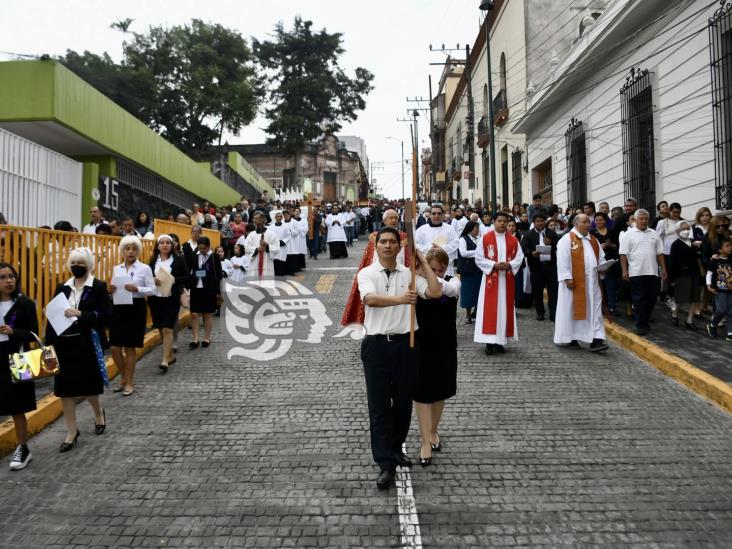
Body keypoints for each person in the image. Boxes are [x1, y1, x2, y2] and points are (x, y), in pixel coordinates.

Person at [357, 227, 441, 489]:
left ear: (399, 246)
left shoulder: (410, 275)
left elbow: (436, 292)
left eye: (393, 242)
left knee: (403, 404)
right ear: (376, 244)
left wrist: (423, 261)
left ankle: (395, 449)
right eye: (383, 241)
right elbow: (370, 299)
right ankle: (385, 463)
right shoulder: (366, 273)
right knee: (379, 406)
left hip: (407, 345)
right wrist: (401, 299)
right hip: (377, 346)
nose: (388, 246)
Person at [46, 247, 112, 452]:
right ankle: (72, 431)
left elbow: (107, 315)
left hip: (87, 343)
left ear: (89, 265)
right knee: (64, 390)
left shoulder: (99, 286)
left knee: (89, 386)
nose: (77, 266)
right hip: (64, 344)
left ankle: (98, 413)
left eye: (81, 263)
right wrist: (49, 346)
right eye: (74, 262)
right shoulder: (62, 287)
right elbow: (53, 317)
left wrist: (82, 314)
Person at [414, 248, 460, 467]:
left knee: (440, 390)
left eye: (440, 269)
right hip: (421, 343)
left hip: (445, 344)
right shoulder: (416, 283)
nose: (437, 272)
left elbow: (442, 288)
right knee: (422, 392)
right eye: (432, 269)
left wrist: (423, 263)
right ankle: (424, 441)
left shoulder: (453, 282)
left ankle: (433, 430)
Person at [0, 263, 38, 470]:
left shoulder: (25, 303)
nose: (8, 281)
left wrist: (14, 332)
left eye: (11, 276)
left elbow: (33, 333)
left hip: (18, 358)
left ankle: (23, 447)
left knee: (18, 406)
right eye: (3, 277)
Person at [341, 210, 408, 326]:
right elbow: (369, 259)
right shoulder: (375, 237)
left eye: (395, 218)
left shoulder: (404, 237)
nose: (393, 220)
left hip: (399, 276)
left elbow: (408, 259)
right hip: (378, 277)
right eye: (390, 218)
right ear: (384, 220)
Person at [553, 214, 609, 351]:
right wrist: (567, 277)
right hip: (574, 283)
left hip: (592, 283)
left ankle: (597, 340)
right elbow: (562, 260)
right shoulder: (567, 240)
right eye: (585, 222)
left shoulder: (593, 240)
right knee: (572, 309)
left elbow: (601, 258)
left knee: (595, 310)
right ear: (576, 224)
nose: (588, 224)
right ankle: (572, 336)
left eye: (589, 222)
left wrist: (604, 267)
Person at [109, 236, 156, 396]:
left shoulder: (144, 268)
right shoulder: (117, 268)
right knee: (115, 347)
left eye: (134, 249)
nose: (130, 252)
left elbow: (152, 290)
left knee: (130, 347)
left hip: (136, 308)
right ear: (122, 250)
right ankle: (123, 377)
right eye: (128, 249)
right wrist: (111, 290)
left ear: (138, 251)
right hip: (118, 307)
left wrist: (137, 289)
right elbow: (115, 286)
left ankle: (129, 382)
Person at [474, 212, 525, 355]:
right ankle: (489, 343)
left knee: (504, 310)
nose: (502, 223)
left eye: (504, 221)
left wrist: (509, 264)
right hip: (491, 281)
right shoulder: (485, 238)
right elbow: (478, 258)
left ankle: (500, 341)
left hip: (506, 280)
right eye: (499, 221)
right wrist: (493, 265)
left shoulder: (513, 240)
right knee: (490, 310)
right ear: (494, 222)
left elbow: (519, 258)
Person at [619, 209, 667, 336]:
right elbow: (623, 254)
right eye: (641, 219)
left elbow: (660, 252)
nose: (644, 221)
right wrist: (624, 271)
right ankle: (640, 325)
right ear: (635, 220)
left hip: (653, 272)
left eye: (646, 219)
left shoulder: (654, 233)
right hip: (636, 272)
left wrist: (663, 268)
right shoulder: (628, 235)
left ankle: (644, 321)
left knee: (651, 298)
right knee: (638, 299)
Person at [147, 235, 188, 372]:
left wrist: (172, 279)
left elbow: (186, 277)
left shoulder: (179, 259)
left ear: (172, 245)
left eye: (167, 243)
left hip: (171, 297)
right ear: (157, 246)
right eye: (162, 243)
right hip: (156, 298)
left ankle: (165, 360)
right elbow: (147, 277)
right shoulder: (153, 260)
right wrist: (153, 279)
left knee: (167, 328)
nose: (165, 245)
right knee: (160, 327)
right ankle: (170, 355)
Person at [521, 212, 558, 322]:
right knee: (537, 291)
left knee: (553, 291)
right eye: (538, 221)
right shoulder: (528, 235)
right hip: (536, 267)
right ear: (534, 222)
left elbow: (559, 246)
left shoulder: (551, 233)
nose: (540, 223)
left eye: (542, 221)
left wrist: (551, 244)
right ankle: (540, 312)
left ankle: (553, 313)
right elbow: (524, 248)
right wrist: (531, 253)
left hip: (550, 267)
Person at [188, 236, 223, 348]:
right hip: (196, 288)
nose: (202, 250)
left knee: (207, 314)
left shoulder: (214, 257)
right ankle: (195, 339)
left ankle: (207, 338)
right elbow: (190, 271)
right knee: (194, 314)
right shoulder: (193, 256)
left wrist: (218, 292)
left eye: (204, 248)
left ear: (208, 247)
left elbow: (218, 275)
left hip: (209, 289)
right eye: (200, 248)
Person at [669, 221, 703, 328]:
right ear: (677, 231)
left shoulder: (693, 243)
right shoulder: (675, 244)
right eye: (683, 229)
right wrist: (672, 279)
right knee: (680, 299)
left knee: (695, 298)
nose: (686, 231)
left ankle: (689, 321)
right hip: (681, 275)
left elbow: (697, 258)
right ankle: (674, 314)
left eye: (688, 228)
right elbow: (672, 263)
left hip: (694, 274)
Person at [415, 204, 460, 276]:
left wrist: (441, 249)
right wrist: (430, 248)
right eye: (434, 213)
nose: (436, 216)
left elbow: (456, 243)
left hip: (446, 268)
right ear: (429, 215)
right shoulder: (421, 230)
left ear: (443, 215)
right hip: (427, 267)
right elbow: (415, 245)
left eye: (439, 213)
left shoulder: (450, 229)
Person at [592, 212, 620, 314]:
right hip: (598, 262)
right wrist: (600, 247)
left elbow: (618, 246)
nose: (598, 222)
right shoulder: (592, 233)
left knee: (611, 285)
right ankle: (600, 306)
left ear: (605, 220)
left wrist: (611, 245)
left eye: (601, 219)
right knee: (599, 286)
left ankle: (612, 306)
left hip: (611, 261)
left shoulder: (612, 232)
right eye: (596, 220)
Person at [706, 237, 732, 341]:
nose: (730, 248)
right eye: (727, 246)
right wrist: (708, 285)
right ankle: (713, 324)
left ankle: (730, 332)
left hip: (730, 289)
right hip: (719, 289)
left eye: (731, 245)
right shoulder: (715, 260)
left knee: (731, 311)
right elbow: (710, 273)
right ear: (720, 249)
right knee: (721, 310)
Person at [243, 212, 280, 280]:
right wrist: (257, 249)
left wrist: (267, 245)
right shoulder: (251, 235)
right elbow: (246, 248)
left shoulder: (271, 234)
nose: (254, 220)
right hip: (254, 263)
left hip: (267, 262)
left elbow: (277, 248)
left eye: (256, 218)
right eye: (254, 218)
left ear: (263, 220)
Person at [458, 221, 482, 324]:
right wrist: (477, 253)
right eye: (476, 228)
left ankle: (476, 312)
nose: (478, 231)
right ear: (471, 229)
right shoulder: (463, 239)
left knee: (478, 292)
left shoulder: (479, 239)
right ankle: (468, 315)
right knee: (468, 292)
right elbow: (463, 253)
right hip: (467, 271)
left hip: (478, 270)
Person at [270, 211, 293, 276]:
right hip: (274, 245)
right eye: (278, 216)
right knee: (275, 259)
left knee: (281, 259)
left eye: (280, 216)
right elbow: (269, 236)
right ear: (275, 217)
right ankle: (274, 273)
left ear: (282, 218)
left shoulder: (285, 227)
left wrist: (283, 241)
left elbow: (289, 235)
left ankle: (281, 273)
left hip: (281, 245)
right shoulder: (271, 227)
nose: (279, 218)